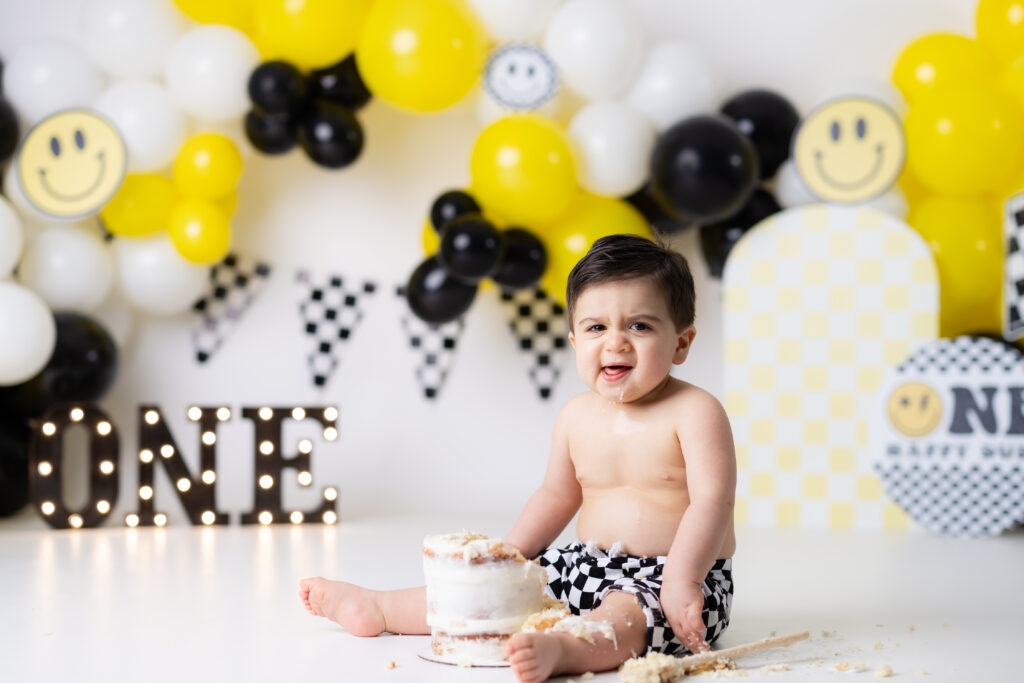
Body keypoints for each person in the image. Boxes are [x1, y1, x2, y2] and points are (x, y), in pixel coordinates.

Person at [299, 234, 736, 682]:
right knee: (493, 591)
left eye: (639, 326)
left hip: (676, 577)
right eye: (596, 328)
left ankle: (566, 649)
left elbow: (712, 503)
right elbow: (556, 495)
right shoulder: (575, 416)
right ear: (574, 341)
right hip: (586, 564)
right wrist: (510, 557)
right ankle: (381, 607)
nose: (616, 342)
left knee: (626, 615)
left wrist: (682, 580)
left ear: (682, 343)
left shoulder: (696, 412)